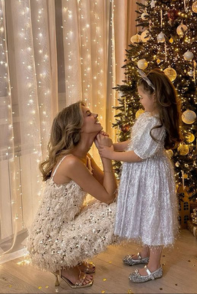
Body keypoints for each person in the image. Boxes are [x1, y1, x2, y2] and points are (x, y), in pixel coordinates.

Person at [98, 69, 182, 283]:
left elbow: (140, 154)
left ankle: (154, 266)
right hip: (142, 175)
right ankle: (145, 254)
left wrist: (111, 154)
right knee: (146, 212)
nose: (139, 99)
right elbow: (135, 143)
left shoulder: (158, 123)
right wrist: (114, 146)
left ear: (154, 96)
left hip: (152, 175)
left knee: (154, 215)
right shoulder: (146, 118)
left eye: (142, 96)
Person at [28, 101, 118, 289]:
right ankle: (62, 264)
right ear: (75, 127)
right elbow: (108, 197)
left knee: (118, 203)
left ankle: (71, 256)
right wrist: (106, 156)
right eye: (87, 114)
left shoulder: (82, 158)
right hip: (48, 241)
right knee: (115, 210)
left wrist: (104, 152)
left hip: (65, 225)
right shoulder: (70, 163)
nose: (95, 115)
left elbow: (110, 191)